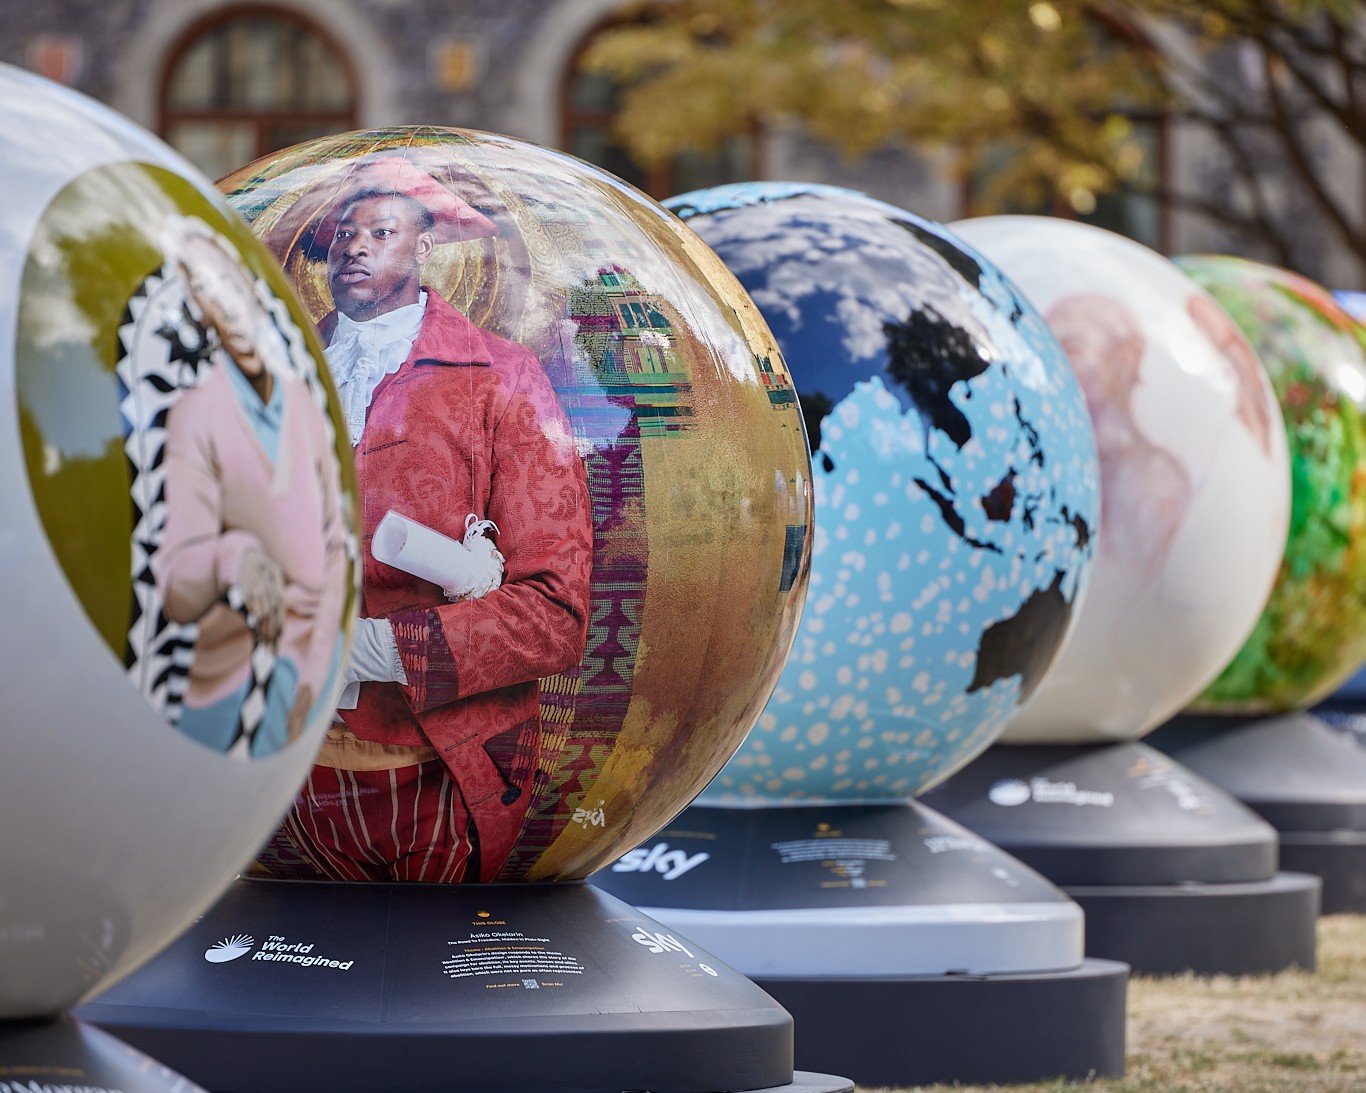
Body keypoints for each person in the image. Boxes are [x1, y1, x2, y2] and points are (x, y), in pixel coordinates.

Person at [278, 158, 594, 883]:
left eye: (381, 231)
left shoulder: (502, 378)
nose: (354, 247)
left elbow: (555, 612)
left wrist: (377, 650)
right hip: (281, 781)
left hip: (443, 778)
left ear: (426, 248)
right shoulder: (279, 374)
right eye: (343, 233)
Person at [156, 216, 348, 758]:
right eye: (205, 293)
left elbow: (338, 544)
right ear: (198, 311)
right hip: (231, 678)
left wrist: (318, 666)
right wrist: (232, 557)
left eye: (231, 284)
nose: (226, 304)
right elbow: (175, 586)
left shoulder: (305, 399)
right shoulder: (195, 412)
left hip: (323, 667)